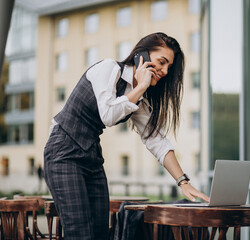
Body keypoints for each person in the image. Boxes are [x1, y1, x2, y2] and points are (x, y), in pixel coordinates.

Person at [43, 32, 209, 240]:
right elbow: (108, 114)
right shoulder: (108, 69)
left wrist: (183, 181)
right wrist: (141, 86)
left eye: (169, 67)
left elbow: (156, 141)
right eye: (162, 62)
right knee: (80, 233)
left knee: (101, 233)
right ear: (142, 55)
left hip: (91, 157)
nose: (165, 71)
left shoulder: (138, 99)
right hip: (63, 151)